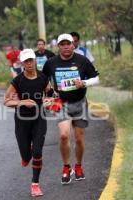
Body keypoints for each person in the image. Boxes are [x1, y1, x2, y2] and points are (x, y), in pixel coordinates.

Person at [42, 33, 99, 185]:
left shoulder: (82, 60)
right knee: (64, 136)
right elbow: (43, 80)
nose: (66, 46)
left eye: (69, 43)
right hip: (62, 103)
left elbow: (96, 78)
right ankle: (66, 167)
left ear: (73, 45)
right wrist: (46, 95)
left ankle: (78, 166)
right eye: (63, 44)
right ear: (58, 46)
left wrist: (84, 83)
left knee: (79, 139)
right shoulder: (51, 62)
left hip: (80, 103)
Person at [4, 49, 49, 197]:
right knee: (27, 155)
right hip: (22, 120)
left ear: (35, 60)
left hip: (39, 118)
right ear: (22, 63)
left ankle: (35, 184)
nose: (29, 63)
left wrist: (50, 100)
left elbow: (50, 94)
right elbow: (6, 101)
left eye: (31, 60)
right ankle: (25, 156)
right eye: (26, 61)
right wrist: (22, 102)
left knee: (37, 151)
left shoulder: (43, 77)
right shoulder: (18, 80)